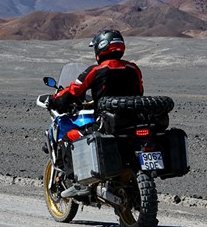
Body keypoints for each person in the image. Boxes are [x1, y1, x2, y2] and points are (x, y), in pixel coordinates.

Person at [47, 29, 144, 195]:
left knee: (69, 137)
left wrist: (55, 100)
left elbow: (73, 90)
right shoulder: (133, 69)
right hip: (133, 123)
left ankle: (79, 182)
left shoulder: (96, 70)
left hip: (106, 124)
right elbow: (140, 92)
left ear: (101, 47)